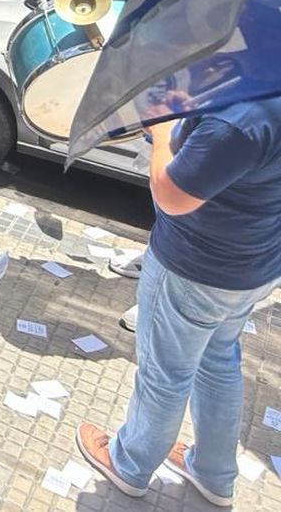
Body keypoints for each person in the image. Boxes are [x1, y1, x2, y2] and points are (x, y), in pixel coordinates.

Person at [76, 97, 281, 508]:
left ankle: (128, 464)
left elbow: (172, 195)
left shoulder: (240, 117)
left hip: (196, 268)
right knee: (219, 361)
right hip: (255, 263)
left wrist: (163, 134)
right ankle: (213, 474)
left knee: (165, 373)